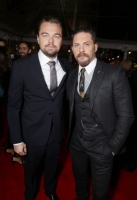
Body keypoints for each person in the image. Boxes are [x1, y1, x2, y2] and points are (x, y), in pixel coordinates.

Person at [66, 27, 134, 200]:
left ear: (95, 47)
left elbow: (127, 116)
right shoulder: (72, 76)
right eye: (76, 45)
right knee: (80, 182)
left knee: (100, 193)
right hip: (77, 142)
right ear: (72, 49)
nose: (81, 50)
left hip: (103, 145)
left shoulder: (114, 73)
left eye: (86, 44)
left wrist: (112, 148)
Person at [7, 16, 71, 200]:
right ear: (37, 38)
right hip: (32, 133)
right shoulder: (21, 67)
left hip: (57, 132)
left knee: (52, 165)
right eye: (45, 35)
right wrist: (17, 140)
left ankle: (50, 191)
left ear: (61, 39)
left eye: (56, 36)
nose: (51, 41)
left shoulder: (67, 66)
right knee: (32, 169)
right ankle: (30, 194)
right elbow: (13, 106)